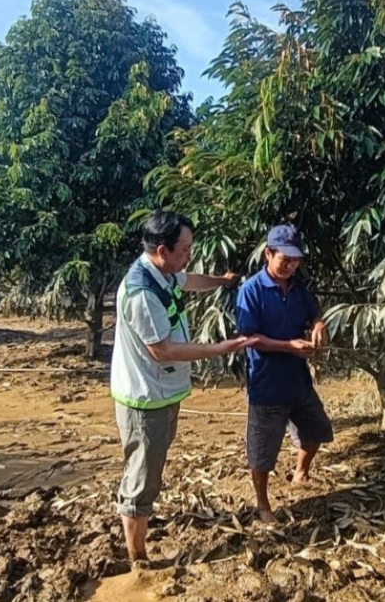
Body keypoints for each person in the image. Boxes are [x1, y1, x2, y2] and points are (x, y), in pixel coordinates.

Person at [111, 210, 255, 564]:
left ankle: (138, 529)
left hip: (161, 391)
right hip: (146, 398)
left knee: (149, 468)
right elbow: (161, 350)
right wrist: (218, 349)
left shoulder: (160, 273)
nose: (188, 255)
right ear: (162, 250)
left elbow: (188, 281)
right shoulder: (141, 293)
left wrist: (221, 281)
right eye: (185, 249)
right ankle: (138, 559)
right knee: (142, 477)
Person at [235, 224, 333, 524]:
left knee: (316, 430)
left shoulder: (298, 287)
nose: (291, 264)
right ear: (268, 254)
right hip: (267, 382)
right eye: (285, 258)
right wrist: (288, 346)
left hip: (298, 379)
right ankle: (263, 504)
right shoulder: (251, 290)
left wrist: (318, 326)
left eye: (296, 259)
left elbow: (313, 313)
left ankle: (301, 471)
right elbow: (248, 337)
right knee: (263, 451)